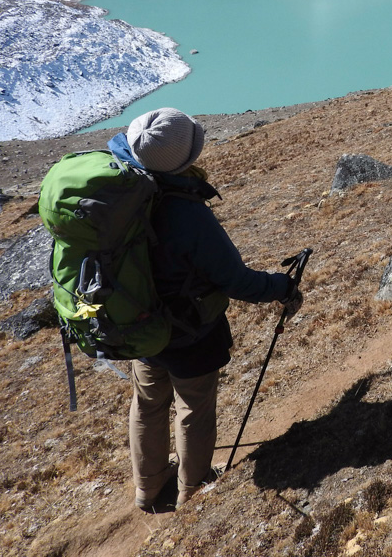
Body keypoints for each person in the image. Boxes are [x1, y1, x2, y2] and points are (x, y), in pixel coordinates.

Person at [106, 107, 302, 511]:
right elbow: (236, 281)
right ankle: (192, 492)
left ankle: (147, 489)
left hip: (138, 322)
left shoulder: (120, 191)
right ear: (184, 158)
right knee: (192, 407)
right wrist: (282, 285)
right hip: (188, 330)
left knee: (147, 403)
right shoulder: (186, 211)